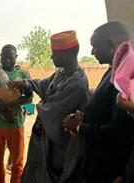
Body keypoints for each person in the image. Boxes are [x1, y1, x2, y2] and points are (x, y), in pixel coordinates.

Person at [63, 21, 134, 183]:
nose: (92, 51)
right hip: (101, 161)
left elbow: (118, 130)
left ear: (110, 45)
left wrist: (80, 127)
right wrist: (86, 117)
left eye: (95, 46)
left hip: (111, 166)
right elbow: (106, 111)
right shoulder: (113, 70)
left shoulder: (123, 79)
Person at [13, 30, 89, 183]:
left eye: (54, 53)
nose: (51, 57)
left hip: (56, 146)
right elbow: (44, 84)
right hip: (44, 140)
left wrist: (40, 104)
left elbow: (50, 111)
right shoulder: (61, 73)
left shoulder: (76, 83)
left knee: (49, 176)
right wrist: (26, 83)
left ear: (67, 55)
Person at [0, 44, 33, 183]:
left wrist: (10, 105)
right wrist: (4, 113)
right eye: (4, 56)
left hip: (16, 124)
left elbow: (29, 98)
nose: (7, 59)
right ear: (1, 57)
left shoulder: (23, 75)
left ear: (16, 57)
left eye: (10, 56)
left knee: (17, 162)